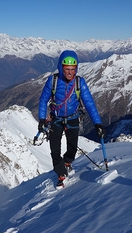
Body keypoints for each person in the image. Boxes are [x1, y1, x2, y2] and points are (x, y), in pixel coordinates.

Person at [37, 50, 105, 188]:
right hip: (56, 119)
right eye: (67, 69)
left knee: (72, 149)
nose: (70, 73)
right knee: (54, 150)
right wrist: (42, 119)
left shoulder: (80, 83)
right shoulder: (53, 81)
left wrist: (97, 123)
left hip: (73, 118)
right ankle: (61, 174)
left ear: (76, 68)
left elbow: (89, 104)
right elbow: (43, 100)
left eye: (73, 69)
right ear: (61, 68)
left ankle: (67, 162)